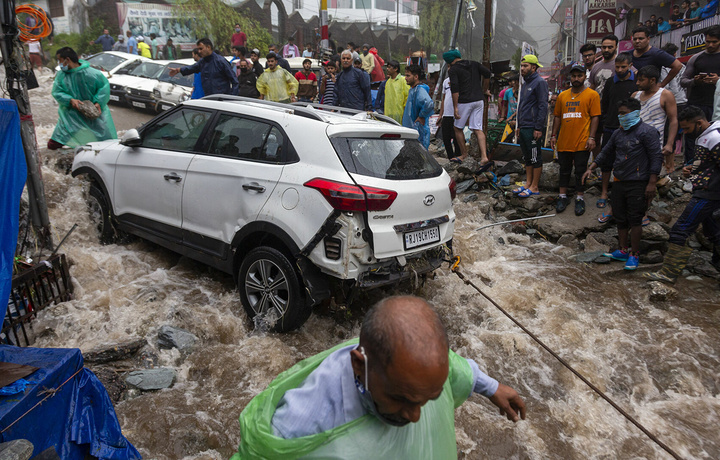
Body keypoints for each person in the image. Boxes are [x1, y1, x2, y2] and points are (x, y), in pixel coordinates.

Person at [231, 295, 526, 458]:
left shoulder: (419, 374)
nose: (415, 416)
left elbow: (453, 366)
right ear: (359, 366)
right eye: (402, 399)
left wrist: (490, 387)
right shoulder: (300, 425)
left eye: (429, 400)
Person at [581, 98, 662, 270]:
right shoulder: (618, 133)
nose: (621, 117)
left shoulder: (648, 132)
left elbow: (656, 157)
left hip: (639, 182)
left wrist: (652, 183)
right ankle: (623, 250)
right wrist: (592, 167)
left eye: (623, 113)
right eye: (619, 114)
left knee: (635, 219)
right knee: (620, 217)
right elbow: (606, 152)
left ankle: (634, 254)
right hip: (619, 181)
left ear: (635, 113)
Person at [645, 106, 720, 283]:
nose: (684, 132)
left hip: (708, 193)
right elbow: (706, 163)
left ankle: (668, 274)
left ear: (699, 123)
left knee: (680, 230)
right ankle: (717, 265)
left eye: (686, 128)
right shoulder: (706, 135)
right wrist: (692, 170)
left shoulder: (715, 138)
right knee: (714, 232)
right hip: (706, 190)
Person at [550, 65, 601, 216]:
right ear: (570, 78)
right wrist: (553, 135)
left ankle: (579, 197)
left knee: (580, 170)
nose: (576, 79)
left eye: (579, 76)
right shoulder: (562, 96)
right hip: (564, 140)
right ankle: (562, 196)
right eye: (574, 76)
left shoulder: (592, 95)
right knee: (564, 170)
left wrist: (592, 137)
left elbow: (595, 117)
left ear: (585, 76)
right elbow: (557, 116)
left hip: (582, 140)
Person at [48, 47, 117, 149]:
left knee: (108, 144)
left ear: (67, 59)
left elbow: (104, 88)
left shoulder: (93, 74)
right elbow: (57, 91)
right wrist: (70, 100)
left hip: (93, 114)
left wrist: (98, 103)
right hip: (71, 117)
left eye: (60, 60)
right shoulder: (61, 75)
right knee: (53, 145)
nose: (59, 63)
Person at [598, 53, 638, 218]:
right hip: (611, 126)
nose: (620, 70)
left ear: (630, 65)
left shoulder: (636, 82)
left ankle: (622, 195)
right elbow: (605, 104)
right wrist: (606, 121)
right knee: (607, 161)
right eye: (618, 67)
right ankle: (604, 192)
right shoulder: (610, 82)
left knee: (627, 161)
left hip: (630, 128)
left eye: (623, 67)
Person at [444, 49, 492, 165]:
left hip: (464, 101)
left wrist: (455, 107)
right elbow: (487, 74)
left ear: (449, 61)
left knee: (457, 128)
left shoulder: (453, 70)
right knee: (477, 129)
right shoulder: (474, 64)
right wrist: (484, 90)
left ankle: (464, 154)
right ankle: (484, 157)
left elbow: (454, 89)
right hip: (479, 100)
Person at [513, 55, 549, 198]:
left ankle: (534, 186)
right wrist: (519, 125)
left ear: (533, 67)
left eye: (525, 66)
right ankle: (527, 183)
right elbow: (522, 106)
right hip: (524, 126)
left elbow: (542, 106)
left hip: (533, 126)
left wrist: (538, 128)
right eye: (521, 66)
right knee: (527, 156)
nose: (522, 69)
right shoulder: (525, 83)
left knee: (535, 157)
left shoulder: (539, 82)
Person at [633, 65, 679, 173]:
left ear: (652, 80)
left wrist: (669, 144)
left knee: (652, 173)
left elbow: (673, 120)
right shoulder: (635, 95)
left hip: (654, 143)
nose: (637, 83)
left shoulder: (665, 95)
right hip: (634, 142)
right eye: (637, 80)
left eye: (641, 80)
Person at [169, 38, 238, 96]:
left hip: (221, 98)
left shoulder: (220, 61)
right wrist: (179, 70)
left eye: (201, 49)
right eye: (198, 49)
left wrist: (232, 97)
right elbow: (192, 68)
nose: (199, 51)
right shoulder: (202, 62)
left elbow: (234, 81)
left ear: (208, 47)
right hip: (208, 97)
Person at [402, 65, 434, 149]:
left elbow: (429, 104)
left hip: (418, 131)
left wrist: (421, 116)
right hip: (412, 130)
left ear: (416, 76)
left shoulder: (419, 90)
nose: (405, 78)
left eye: (408, 75)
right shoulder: (413, 89)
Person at [439, 62, 460, 160]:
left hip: (456, 114)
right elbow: (443, 99)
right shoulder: (445, 82)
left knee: (457, 138)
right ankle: (451, 158)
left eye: (451, 66)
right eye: (448, 67)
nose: (449, 69)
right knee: (446, 138)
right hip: (446, 114)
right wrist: (440, 115)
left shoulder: (461, 81)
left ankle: (458, 156)